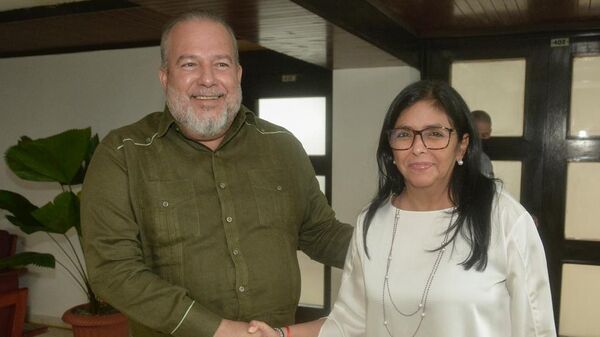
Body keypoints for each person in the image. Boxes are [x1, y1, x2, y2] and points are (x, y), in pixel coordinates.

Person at [80, 11, 353, 337]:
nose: (207, 79)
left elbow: (320, 232)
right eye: (189, 64)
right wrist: (221, 330)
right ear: (165, 76)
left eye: (221, 64)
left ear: (237, 74)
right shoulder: (122, 153)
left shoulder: (282, 145)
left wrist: (396, 251)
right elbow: (113, 270)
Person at [248, 80, 556, 337]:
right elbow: (349, 322)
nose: (418, 147)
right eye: (404, 134)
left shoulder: (505, 220)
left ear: (462, 145)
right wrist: (281, 334)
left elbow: (536, 327)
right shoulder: (373, 222)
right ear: (391, 148)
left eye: (435, 134)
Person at [471, 109, 494, 177]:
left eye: (484, 135)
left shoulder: (485, 160)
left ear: (490, 132)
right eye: (476, 135)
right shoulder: (457, 158)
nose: (480, 139)